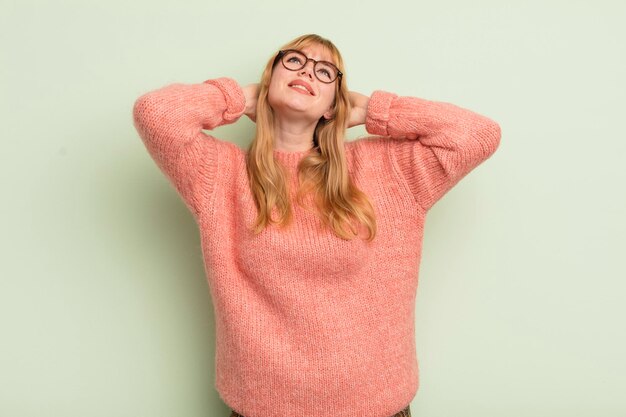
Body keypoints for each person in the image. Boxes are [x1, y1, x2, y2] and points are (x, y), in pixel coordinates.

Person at [132, 33, 501, 417]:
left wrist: (377, 110)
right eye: (293, 61)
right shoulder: (220, 175)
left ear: (334, 104)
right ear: (269, 78)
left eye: (325, 72)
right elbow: (156, 114)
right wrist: (239, 97)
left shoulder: (388, 171)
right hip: (262, 407)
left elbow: (476, 135)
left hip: (375, 406)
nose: (307, 70)